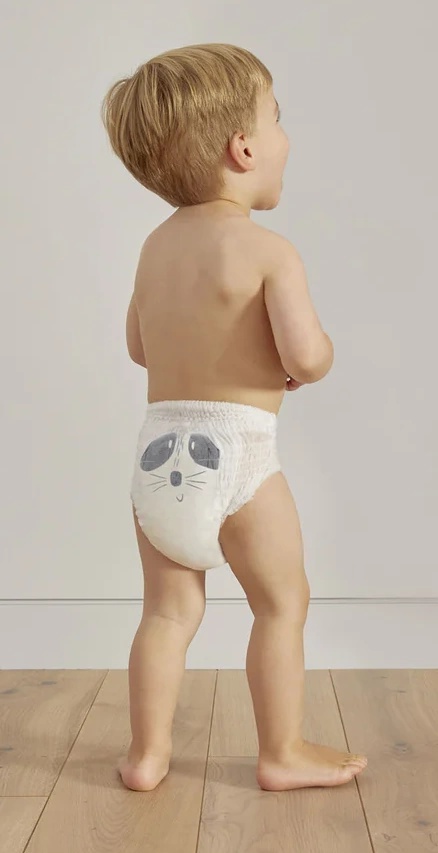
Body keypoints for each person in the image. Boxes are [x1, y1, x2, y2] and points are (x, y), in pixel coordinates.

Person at [101, 43, 368, 793]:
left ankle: (146, 755)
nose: (285, 135)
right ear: (243, 148)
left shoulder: (154, 248)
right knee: (281, 603)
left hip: (158, 453)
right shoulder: (268, 251)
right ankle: (280, 751)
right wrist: (311, 357)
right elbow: (306, 356)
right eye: (276, 117)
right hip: (239, 452)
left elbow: (138, 346)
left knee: (166, 613)